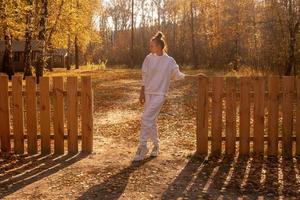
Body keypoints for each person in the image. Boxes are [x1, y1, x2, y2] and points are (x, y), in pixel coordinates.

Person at [133, 31, 207, 161]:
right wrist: (142, 92)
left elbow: (178, 75)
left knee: (145, 118)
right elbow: (144, 76)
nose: (150, 48)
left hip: (160, 94)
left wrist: (195, 76)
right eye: (150, 46)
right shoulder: (148, 58)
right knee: (151, 120)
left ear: (159, 46)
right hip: (149, 93)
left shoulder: (169, 61)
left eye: (152, 46)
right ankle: (156, 146)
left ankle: (143, 145)